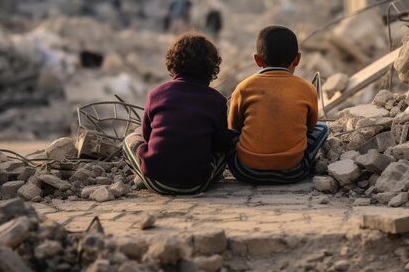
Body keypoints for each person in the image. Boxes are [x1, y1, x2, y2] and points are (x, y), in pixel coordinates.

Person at [122, 33, 233, 195]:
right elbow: (220, 143)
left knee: (130, 138)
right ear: (212, 68)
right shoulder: (217, 100)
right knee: (225, 149)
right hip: (196, 183)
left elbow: (147, 136)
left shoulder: (157, 93)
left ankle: (139, 176)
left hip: (155, 179)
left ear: (173, 64)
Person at [227, 25, 328, 184]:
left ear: (257, 60)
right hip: (293, 172)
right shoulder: (307, 89)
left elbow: (234, 127)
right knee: (323, 128)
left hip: (245, 171)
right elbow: (310, 126)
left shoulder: (243, 87)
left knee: (228, 134)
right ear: (297, 59)